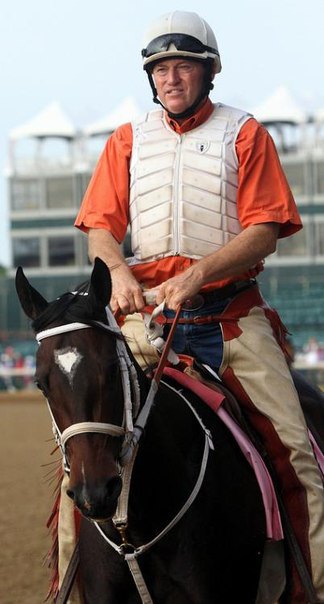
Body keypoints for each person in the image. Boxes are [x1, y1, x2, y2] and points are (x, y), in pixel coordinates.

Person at [75, 11, 324, 602]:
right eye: (159, 68)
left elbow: (265, 229)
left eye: (181, 65)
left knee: (300, 456)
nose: (169, 77)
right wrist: (115, 271)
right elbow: (99, 228)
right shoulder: (127, 139)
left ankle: (310, 587)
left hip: (231, 318)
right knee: (81, 455)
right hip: (145, 320)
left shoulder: (246, 133)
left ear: (209, 71)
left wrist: (197, 276)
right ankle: (69, 582)